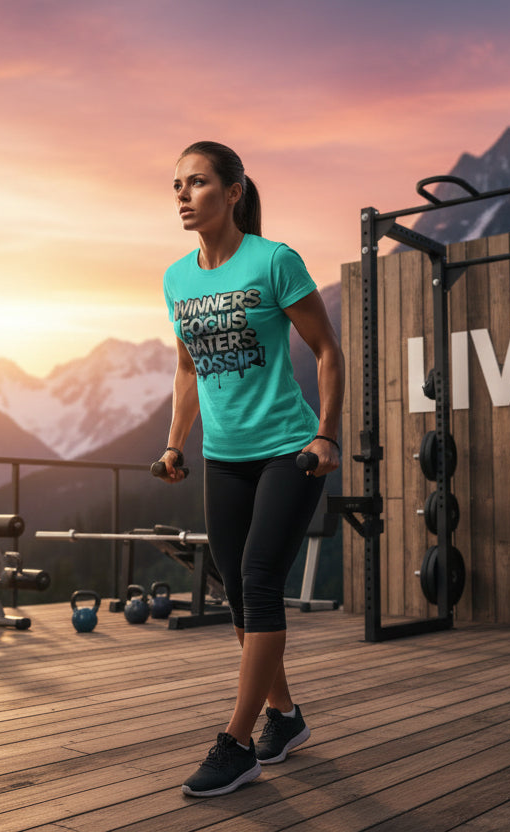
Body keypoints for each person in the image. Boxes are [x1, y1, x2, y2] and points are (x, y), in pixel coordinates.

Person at [155, 140, 344, 798]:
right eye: (177, 185)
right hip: (224, 458)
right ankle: (286, 718)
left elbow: (326, 351)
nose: (182, 195)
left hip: (288, 451)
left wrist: (325, 434)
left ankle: (237, 744)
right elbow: (186, 368)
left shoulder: (274, 261)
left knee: (260, 583)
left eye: (197, 182)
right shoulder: (177, 279)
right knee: (238, 595)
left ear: (233, 192)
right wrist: (176, 442)